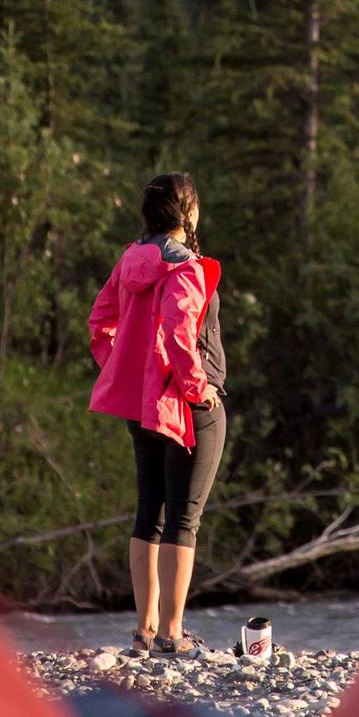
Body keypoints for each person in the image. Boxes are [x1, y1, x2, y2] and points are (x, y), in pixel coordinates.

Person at [87, 172, 230, 655]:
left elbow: (99, 321)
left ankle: (146, 631)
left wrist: (125, 372)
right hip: (188, 405)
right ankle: (173, 634)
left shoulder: (131, 259)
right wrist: (198, 389)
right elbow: (177, 332)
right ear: (186, 213)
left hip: (143, 407)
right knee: (183, 520)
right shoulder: (187, 267)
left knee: (149, 511)